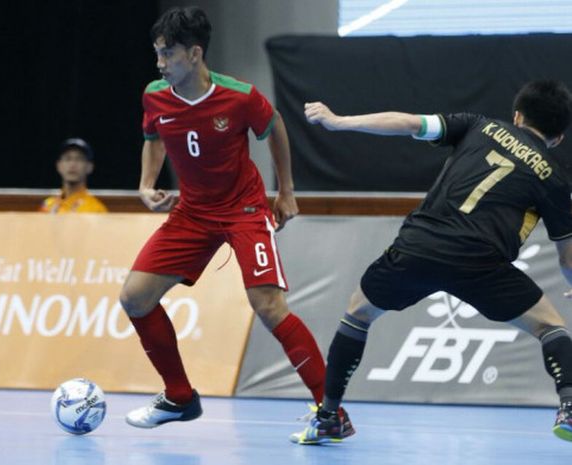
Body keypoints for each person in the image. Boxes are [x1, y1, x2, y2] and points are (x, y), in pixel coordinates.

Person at [290, 79, 572, 444]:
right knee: (551, 327)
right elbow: (566, 255)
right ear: (559, 138)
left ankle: (329, 416)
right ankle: (568, 405)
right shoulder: (554, 177)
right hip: (482, 263)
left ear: (517, 116)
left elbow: (408, 123)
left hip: (420, 247)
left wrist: (339, 120)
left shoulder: (478, 125)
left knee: (357, 315)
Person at [119, 6, 326, 428]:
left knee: (268, 306)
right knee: (135, 297)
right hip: (192, 212)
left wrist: (285, 192)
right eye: (157, 54)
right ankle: (179, 397)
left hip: (244, 209)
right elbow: (153, 135)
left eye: (168, 54)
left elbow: (275, 128)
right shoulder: (155, 94)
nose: (160, 64)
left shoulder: (239, 96)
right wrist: (145, 184)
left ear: (195, 54)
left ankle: (331, 409)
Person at [40, 138, 108, 213]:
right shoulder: (48, 205)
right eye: (67, 159)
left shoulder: (96, 209)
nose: (73, 164)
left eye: (79, 159)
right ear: (58, 165)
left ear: (89, 167)